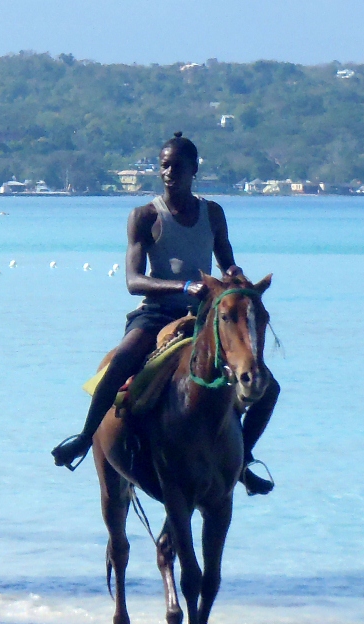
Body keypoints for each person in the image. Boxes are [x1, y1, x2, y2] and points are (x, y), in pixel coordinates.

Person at [51, 132, 279, 495]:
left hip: (205, 316)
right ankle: (84, 436)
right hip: (157, 313)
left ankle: (242, 461)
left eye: (177, 166)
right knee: (122, 360)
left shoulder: (213, 213)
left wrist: (234, 275)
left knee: (269, 387)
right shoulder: (144, 216)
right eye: (164, 166)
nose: (169, 173)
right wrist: (183, 286)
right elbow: (133, 280)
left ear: (194, 170)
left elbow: (227, 261)